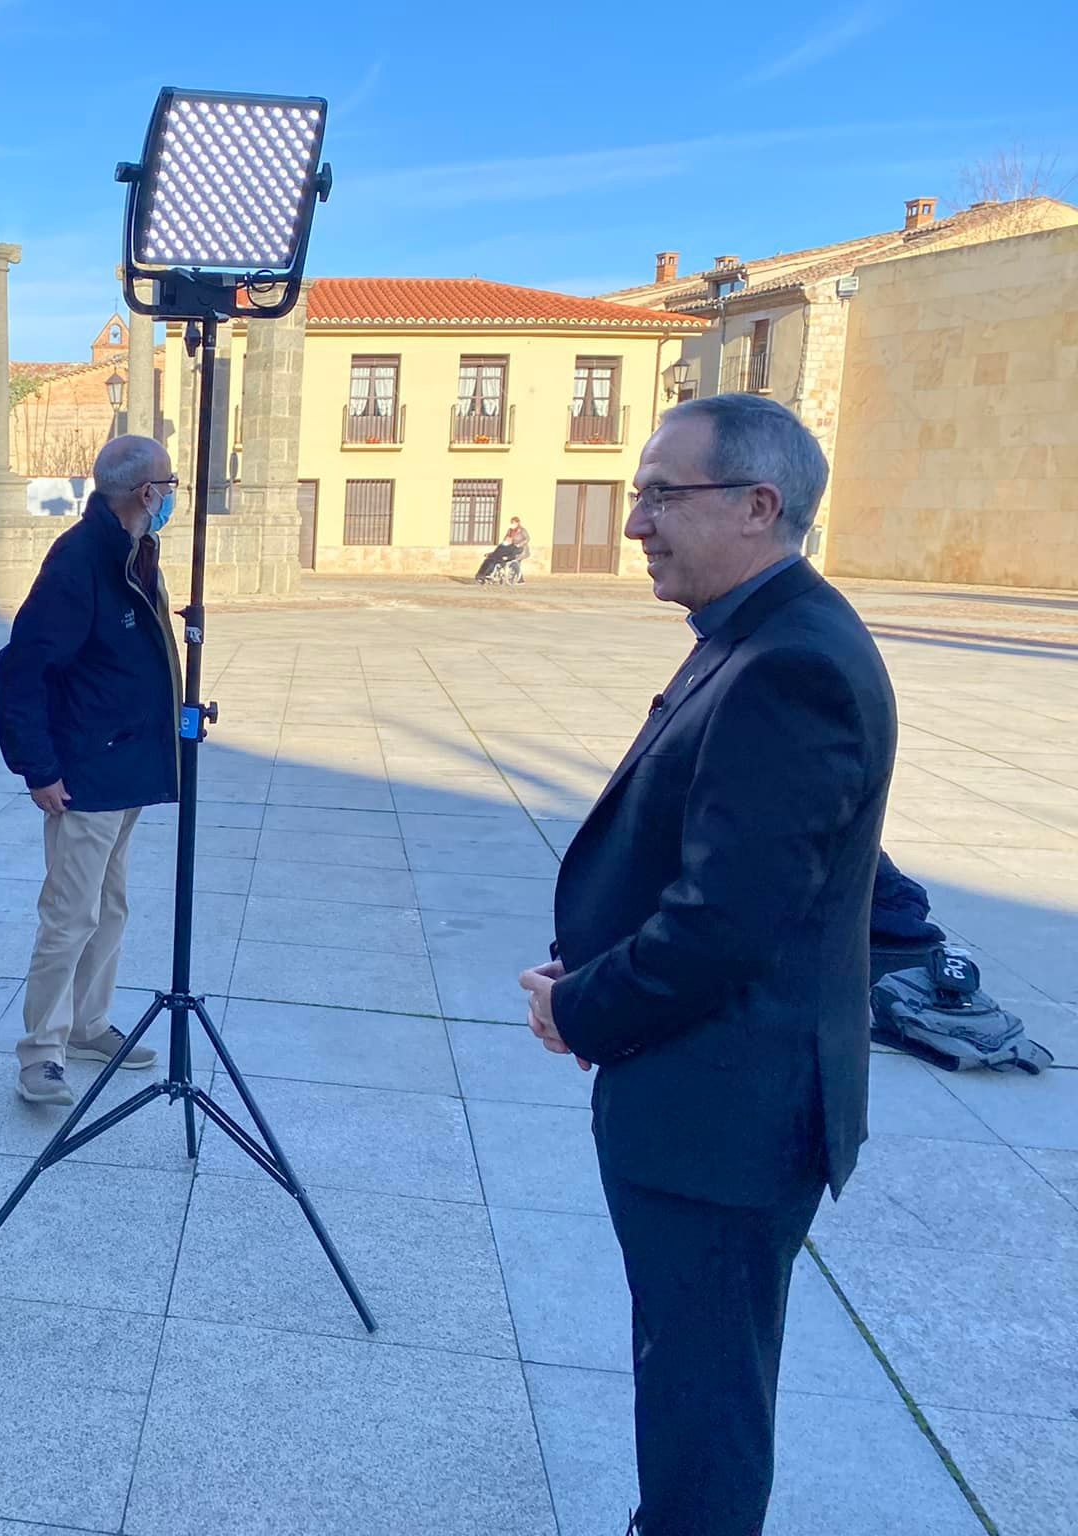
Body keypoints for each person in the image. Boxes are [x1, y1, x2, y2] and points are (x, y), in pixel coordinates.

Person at [517, 394, 896, 1536]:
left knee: (702, 1400)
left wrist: (577, 1009)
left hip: (726, 1117)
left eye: (657, 496)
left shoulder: (790, 665)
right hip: (703, 1101)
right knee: (686, 1374)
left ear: (756, 505)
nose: (634, 524)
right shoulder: (755, 635)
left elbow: (726, 923)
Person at [0, 436, 178, 1104]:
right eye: (169, 483)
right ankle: (41, 1052)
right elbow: (23, 668)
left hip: (126, 765)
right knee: (69, 914)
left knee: (111, 907)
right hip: (85, 773)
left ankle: (88, 1024)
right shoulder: (80, 560)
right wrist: (37, 767)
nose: (171, 494)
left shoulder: (133, 551)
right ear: (146, 493)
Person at [473, 516, 529, 583]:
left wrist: (519, 544)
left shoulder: (522, 530)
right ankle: (481, 574)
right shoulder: (510, 530)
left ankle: (520, 580)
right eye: (511, 522)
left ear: (517, 523)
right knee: (490, 559)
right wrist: (506, 540)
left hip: (519, 549)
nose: (512, 524)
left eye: (513, 522)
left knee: (516, 564)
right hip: (509, 547)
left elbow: (527, 539)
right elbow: (506, 537)